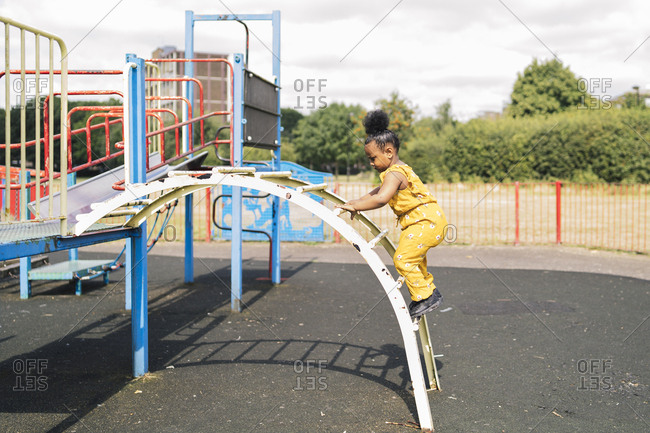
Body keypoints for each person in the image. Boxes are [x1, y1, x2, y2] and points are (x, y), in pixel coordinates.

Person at [336, 110, 448, 318]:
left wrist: (358, 206)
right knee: (415, 260)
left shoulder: (394, 173)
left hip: (425, 222)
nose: (371, 163)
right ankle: (425, 293)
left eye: (372, 158)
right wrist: (355, 203)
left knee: (402, 259)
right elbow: (376, 193)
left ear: (388, 151)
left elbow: (381, 198)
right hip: (424, 222)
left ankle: (426, 296)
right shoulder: (398, 170)